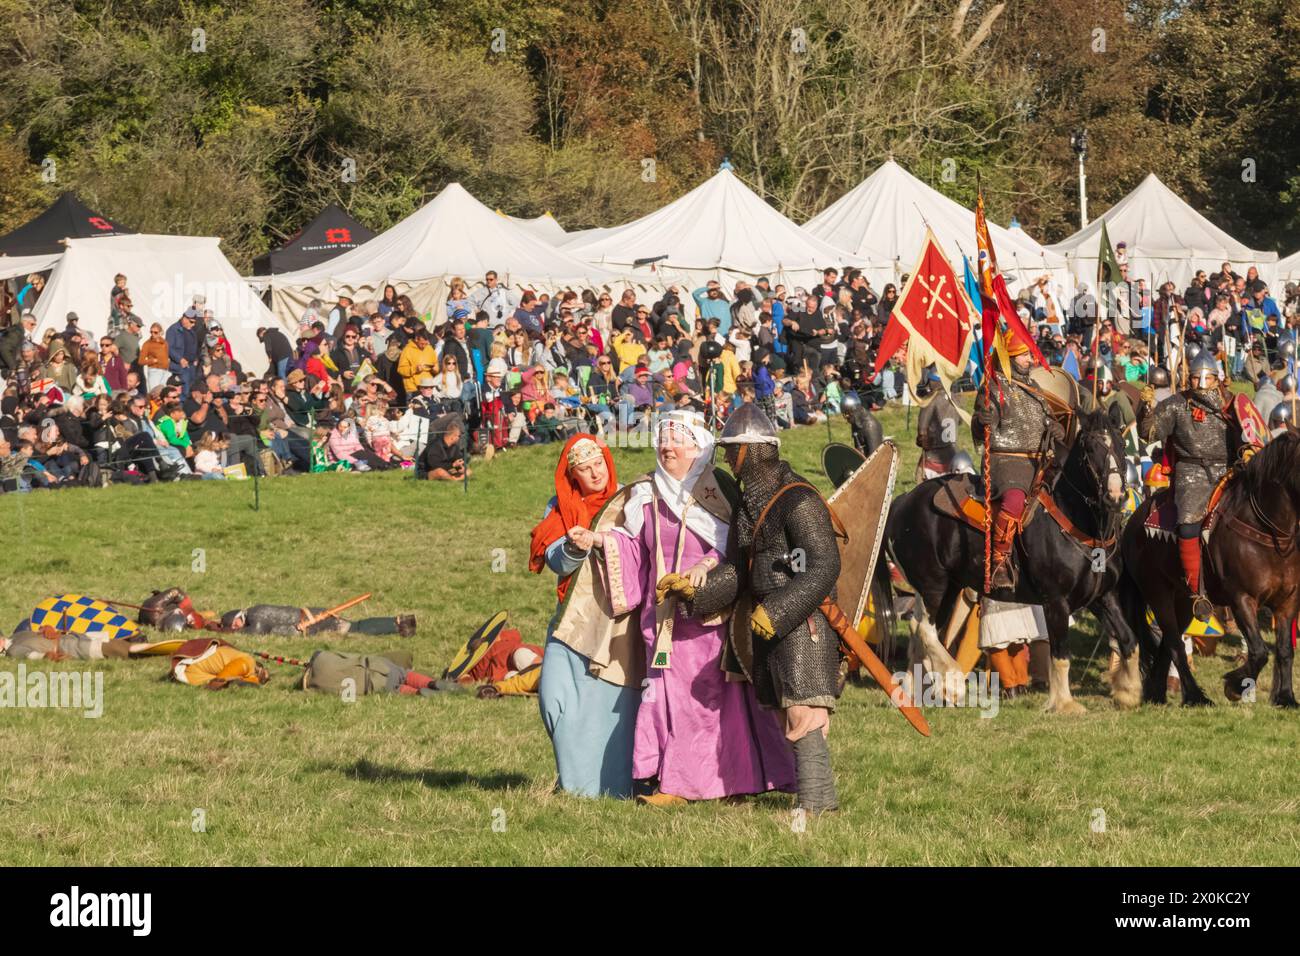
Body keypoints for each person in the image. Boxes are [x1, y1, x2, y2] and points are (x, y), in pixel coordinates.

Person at [578, 410, 795, 805]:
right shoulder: (644, 493)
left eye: (676, 439)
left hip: (710, 617)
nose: (666, 446)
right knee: (662, 695)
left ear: (698, 446)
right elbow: (631, 548)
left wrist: (705, 566)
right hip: (660, 616)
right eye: (662, 438)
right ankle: (668, 778)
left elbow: (736, 547)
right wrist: (598, 541)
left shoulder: (720, 490)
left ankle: (720, 781)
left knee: (710, 700)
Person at [658, 404, 844, 814]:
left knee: (804, 711)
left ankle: (815, 805)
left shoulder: (797, 497)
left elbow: (825, 565)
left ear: (751, 451)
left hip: (800, 621)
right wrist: (693, 592)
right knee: (785, 713)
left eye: (731, 450)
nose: (725, 458)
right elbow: (740, 573)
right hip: (764, 624)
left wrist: (777, 612)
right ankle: (818, 800)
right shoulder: (748, 505)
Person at [533, 435, 639, 798]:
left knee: (606, 706)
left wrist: (602, 541)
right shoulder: (560, 506)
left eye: (599, 464)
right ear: (572, 474)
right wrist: (574, 547)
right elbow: (553, 561)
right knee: (553, 697)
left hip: (613, 620)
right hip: (570, 617)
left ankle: (603, 788)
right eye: (585, 468)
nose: (595, 473)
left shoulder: (627, 500)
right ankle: (576, 778)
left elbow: (643, 551)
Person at [1137, 350, 1235, 622]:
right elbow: (1149, 434)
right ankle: (1196, 592)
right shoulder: (1176, 404)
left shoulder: (1229, 404)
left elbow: (1247, 435)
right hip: (1191, 473)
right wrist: (1145, 408)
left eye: (1207, 377)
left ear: (1218, 378)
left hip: (1228, 472)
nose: (1201, 382)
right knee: (1189, 524)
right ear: (1187, 378)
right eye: (1195, 377)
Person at [972, 337, 1064, 590]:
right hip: (1006, 460)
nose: (1030, 359)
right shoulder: (993, 388)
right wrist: (982, 420)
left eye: (1029, 355)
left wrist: (1055, 428)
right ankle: (1000, 561)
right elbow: (979, 432)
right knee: (1014, 499)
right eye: (1023, 355)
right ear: (1009, 359)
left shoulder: (1034, 387)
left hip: (1039, 461)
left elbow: (1046, 421)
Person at [914, 371, 961, 480]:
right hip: (953, 455)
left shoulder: (930, 400)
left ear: (935, 381)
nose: (929, 383)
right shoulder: (955, 399)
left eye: (931, 380)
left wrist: (921, 440)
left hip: (933, 458)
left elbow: (922, 431)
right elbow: (959, 422)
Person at [423, 415, 470, 481]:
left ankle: (455, 479)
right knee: (440, 472)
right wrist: (452, 465)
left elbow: (458, 458)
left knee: (468, 471)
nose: (460, 438)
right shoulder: (435, 445)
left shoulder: (454, 447)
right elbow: (434, 465)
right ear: (452, 437)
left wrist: (460, 465)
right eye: (459, 436)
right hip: (428, 471)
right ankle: (454, 480)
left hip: (447, 469)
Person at [840, 389, 882, 457]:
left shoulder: (870, 426)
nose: (846, 418)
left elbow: (874, 456)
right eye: (845, 414)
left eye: (847, 414)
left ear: (854, 411)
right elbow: (858, 449)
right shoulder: (856, 421)